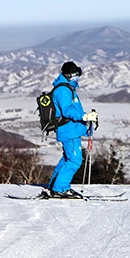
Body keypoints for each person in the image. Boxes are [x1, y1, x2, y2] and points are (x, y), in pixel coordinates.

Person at [46, 61, 98, 197]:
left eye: (77, 74)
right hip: (69, 130)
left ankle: (54, 185)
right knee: (75, 160)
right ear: (68, 75)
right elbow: (68, 110)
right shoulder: (63, 90)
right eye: (74, 75)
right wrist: (85, 116)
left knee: (67, 158)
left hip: (71, 128)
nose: (76, 78)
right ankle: (60, 189)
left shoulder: (68, 88)